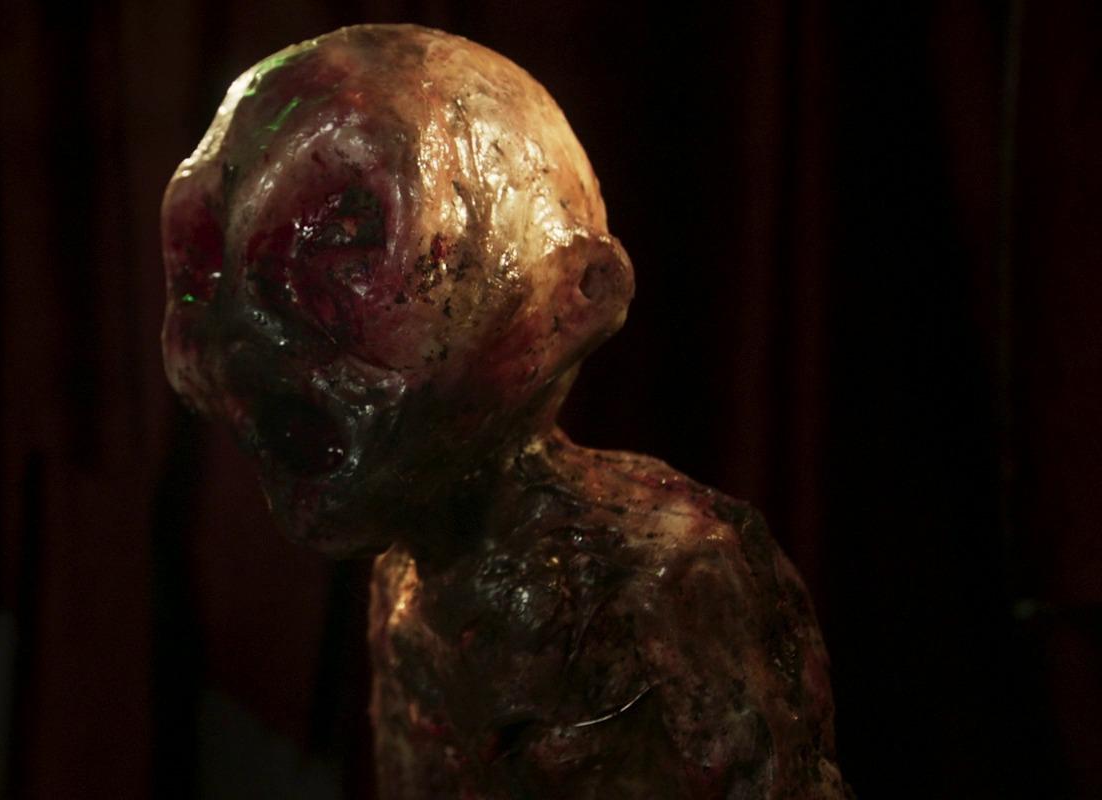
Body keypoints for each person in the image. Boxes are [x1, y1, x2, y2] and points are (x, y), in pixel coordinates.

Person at [162, 25, 849, 798]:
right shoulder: (404, 588)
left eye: (349, 239)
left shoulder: (674, 577)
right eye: (209, 260)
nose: (244, 337)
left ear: (577, 299)